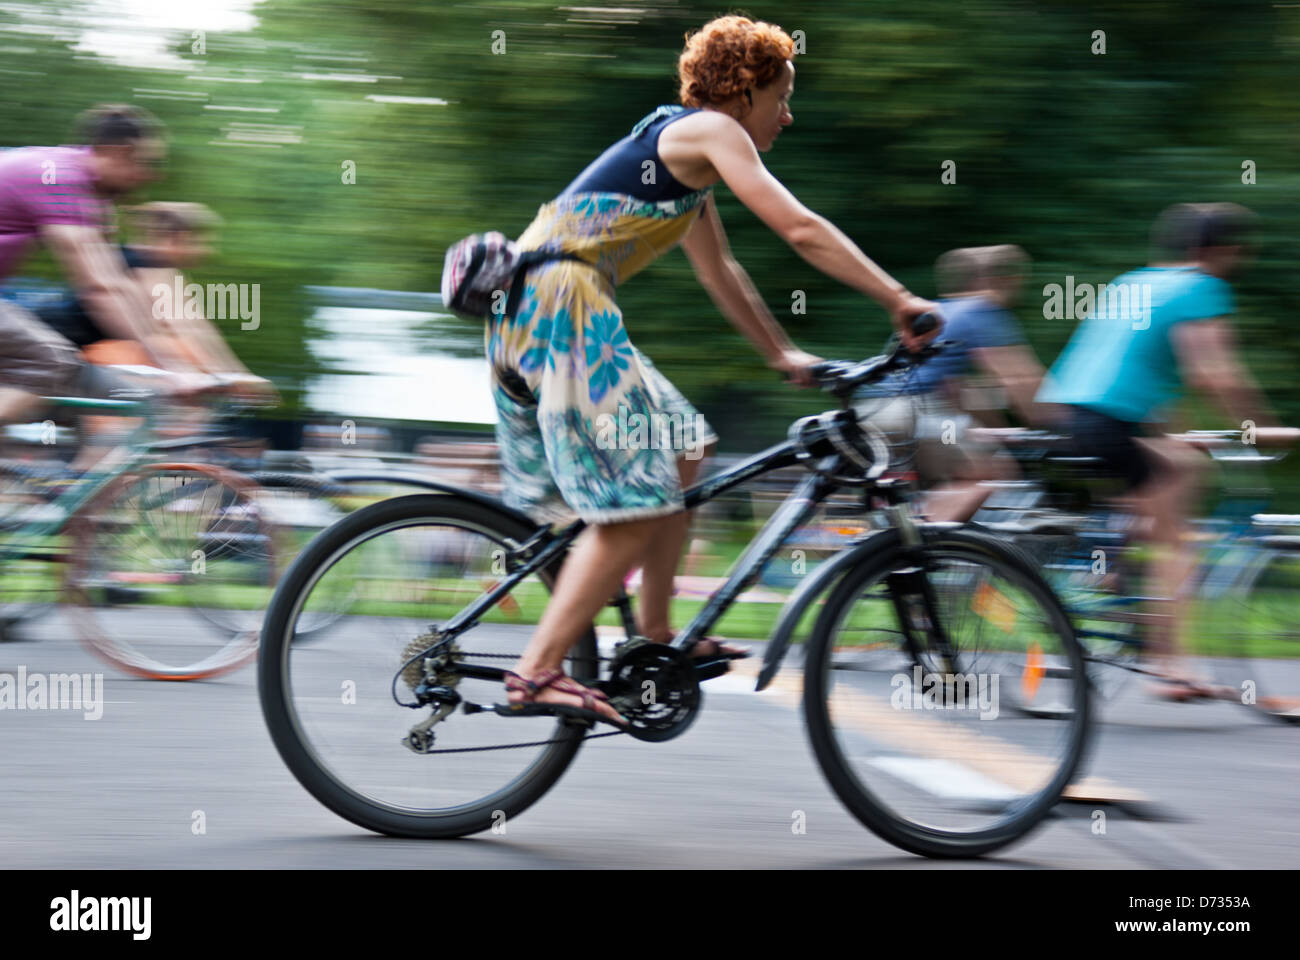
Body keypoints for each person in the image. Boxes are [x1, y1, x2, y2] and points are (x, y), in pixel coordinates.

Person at [492, 15, 939, 724]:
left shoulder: (684, 162)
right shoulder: (710, 132)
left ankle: (657, 631)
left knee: (687, 446)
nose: (787, 116)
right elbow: (799, 228)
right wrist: (899, 298)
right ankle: (539, 671)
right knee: (635, 505)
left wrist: (781, 354)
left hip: (551, 310)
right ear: (741, 92)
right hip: (560, 308)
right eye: (782, 97)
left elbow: (721, 271)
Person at [1037, 202, 1287, 699]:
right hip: (1108, 424)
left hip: (1067, 416)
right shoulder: (1203, 287)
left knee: (1170, 477)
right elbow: (1212, 373)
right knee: (1179, 534)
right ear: (1224, 250)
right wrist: (1261, 427)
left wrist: (1175, 433)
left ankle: (1105, 577)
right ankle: (1171, 667)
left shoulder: (1135, 280)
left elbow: (1141, 370)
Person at [0, 105, 211, 431]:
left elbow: (118, 283)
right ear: (119, 152)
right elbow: (100, 289)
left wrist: (175, 365)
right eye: (147, 164)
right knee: (49, 361)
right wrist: (171, 367)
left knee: (40, 373)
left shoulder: (78, 187)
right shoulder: (61, 179)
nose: (151, 176)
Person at [856, 244, 1056, 522]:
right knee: (991, 474)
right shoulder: (982, 310)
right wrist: (1068, 421)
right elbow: (1019, 382)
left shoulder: (937, 314)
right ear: (1000, 280)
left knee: (929, 487)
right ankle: (915, 550)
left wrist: (996, 430)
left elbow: (955, 391)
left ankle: (895, 548)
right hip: (911, 413)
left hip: (873, 411)